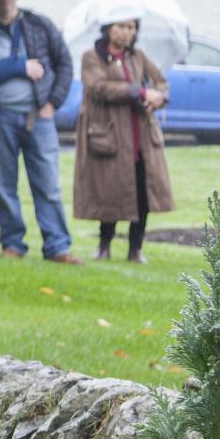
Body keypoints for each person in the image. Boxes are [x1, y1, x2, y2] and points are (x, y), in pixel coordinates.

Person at [0, 0, 78, 263]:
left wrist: (52, 103)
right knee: (4, 185)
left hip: (38, 117)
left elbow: (64, 64)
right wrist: (18, 66)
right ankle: (12, 244)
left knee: (48, 185)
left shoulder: (40, 27)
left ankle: (57, 246)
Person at [73, 18, 173, 263]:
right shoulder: (92, 57)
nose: (127, 32)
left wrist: (158, 96)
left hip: (140, 134)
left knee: (142, 190)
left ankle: (135, 248)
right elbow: (98, 87)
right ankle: (104, 244)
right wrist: (138, 91)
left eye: (131, 27)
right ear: (108, 28)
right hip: (109, 134)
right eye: (121, 26)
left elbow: (160, 82)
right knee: (110, 188)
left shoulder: (138, 57)